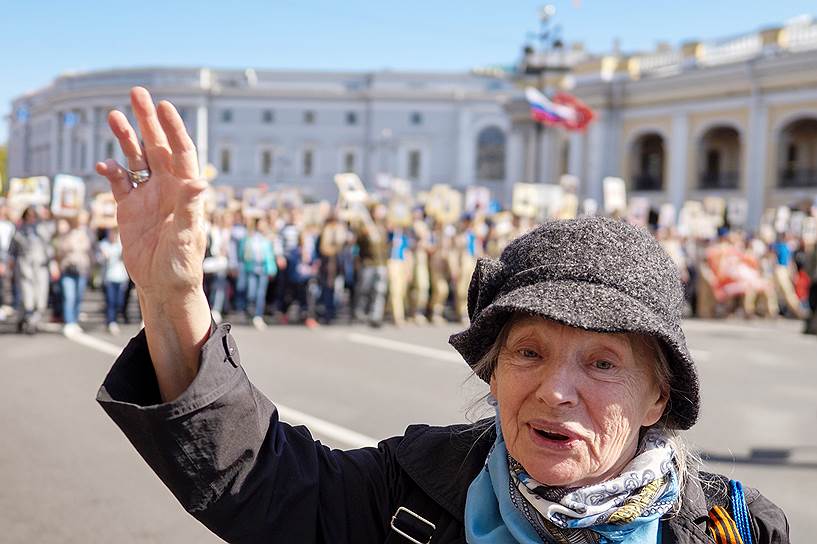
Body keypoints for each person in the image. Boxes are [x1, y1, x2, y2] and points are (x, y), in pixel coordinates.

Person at [95, 88, 788, 544]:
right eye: (527, 353)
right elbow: (253, 479)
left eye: (601, 362)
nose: (554, 389)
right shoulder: (413, 491)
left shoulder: (736, 528)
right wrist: (171, 297)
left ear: (657, 396)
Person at [9, 206, 56, 334]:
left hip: (41, 268)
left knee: (40, 298)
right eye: (28, 215)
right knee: (27, 297)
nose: (31, 218)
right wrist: (9, 265)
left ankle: (32, 320)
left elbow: (49, 249)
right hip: (24, 268)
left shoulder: (43, 230)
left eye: (33, 215)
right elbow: (12, 251)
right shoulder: (18, 231)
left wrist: (53, 266)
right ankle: (26, 320)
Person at [54, 214, 92, 335]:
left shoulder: (84, 233)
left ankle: (74, 321)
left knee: (78, 297)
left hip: (81, 269)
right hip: (68, 269)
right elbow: (60, 250)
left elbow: (88, 248)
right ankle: (69, 322)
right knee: (69, 296)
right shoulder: (64, 235)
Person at [98, 227, 130, 334]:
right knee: (110, 301)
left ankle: (114, 319)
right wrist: (103, 256)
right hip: (109, 277)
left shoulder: (121, 245)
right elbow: (99, 259)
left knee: (119, 301)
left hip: (121, 277)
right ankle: (111, 321)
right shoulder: (104, 245)